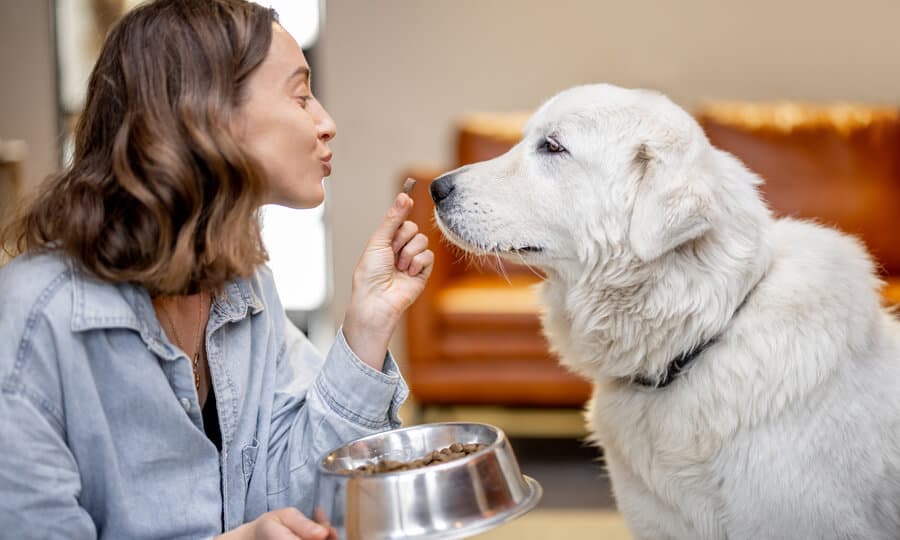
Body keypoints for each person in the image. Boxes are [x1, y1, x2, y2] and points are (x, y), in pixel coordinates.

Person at [0, 1, 433, 538]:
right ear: (204, 115)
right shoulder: (33, 321)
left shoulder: (244, 284)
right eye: (300, 96)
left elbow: (299, 492)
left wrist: (367, 324)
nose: (327, 123)